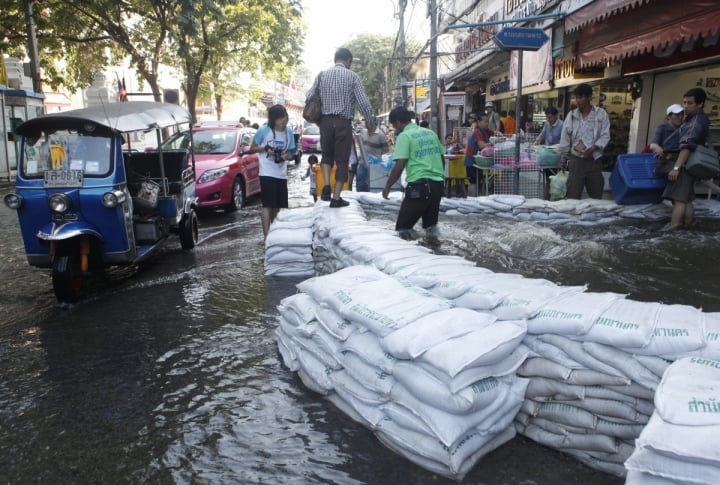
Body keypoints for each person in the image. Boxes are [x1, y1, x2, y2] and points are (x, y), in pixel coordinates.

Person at [305, 47, 376, 208]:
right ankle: (336, 197)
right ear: (349, 61)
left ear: (335, 59)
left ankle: (325, 188)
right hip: (343, 123)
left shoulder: (321, 75)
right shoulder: (352, 77)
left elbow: (309, 96)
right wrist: (371, 121)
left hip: (325, 122)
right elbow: (363, 102)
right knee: (342, 160)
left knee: (326, 155)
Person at [382, 107, 445, 243]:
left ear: (398, 122)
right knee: (431, 229)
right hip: (437, 185)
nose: (394, 128)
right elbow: (441, 158)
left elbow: (400, 164)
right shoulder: (430, 133)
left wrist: (388, 186)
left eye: (393, 125)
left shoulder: (405, 136)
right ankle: (436, 252)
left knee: (402, 230)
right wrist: (441, 179)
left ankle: (410, 260)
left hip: (419, 186)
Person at [664, 87, 711, 229]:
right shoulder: (698, 118)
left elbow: (687, 146)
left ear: (700, 104)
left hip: (685, 164)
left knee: (679, 201)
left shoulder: (695, 121)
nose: (685, 106)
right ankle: (688, 226)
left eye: (690, 103)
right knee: (687, 199)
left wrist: (676, 168)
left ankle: (673, 230)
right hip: (691, 164)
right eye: (684, 102)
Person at [250, 104, 297, 240]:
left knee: (279, 206)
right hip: (266, 172)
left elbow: (291, 151)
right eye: (280, 118)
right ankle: (267, 236)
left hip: (281, 173)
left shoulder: (288, 132)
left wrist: (285, 156)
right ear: (273, 119)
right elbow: (252, 148)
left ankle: (276, 233)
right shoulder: (264, 130)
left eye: (285, 117)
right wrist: (265, 149)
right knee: (268, 205)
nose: (283, 120)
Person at [558, 83, 611, 199]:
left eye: (581, 97)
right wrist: (563, 157)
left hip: (594, 160)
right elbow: (565, 138)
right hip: (576, 161)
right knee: (573, 195)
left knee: (596, 194)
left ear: (589, 97)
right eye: (576, 97)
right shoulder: (571, 116)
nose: (578, 101)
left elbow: (605, 135)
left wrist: (593, 148)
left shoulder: (601, 114)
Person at [464, 114, 494, 196]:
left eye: (488, 122)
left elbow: (495, 133)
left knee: (478, 180)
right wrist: (493, 143)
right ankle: (471, 201)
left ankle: (477, 198)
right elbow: (481, 145)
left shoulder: (485, 130)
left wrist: (499, 135)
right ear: (479, 122)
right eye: (485, 122)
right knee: (473, 182)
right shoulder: (477, 131)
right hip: (471, 161)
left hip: (478, 161)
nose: (487, 124)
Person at [359, 118, 390, 192]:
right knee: (360, 180)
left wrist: (376, 154)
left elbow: (386, 149)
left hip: (374, 164)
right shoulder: (364, 132)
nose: (366, 125)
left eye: (367, 123)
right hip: (362, 161)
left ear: (373, 124)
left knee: (371, 182)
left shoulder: (380, 135)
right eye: (365, 123)